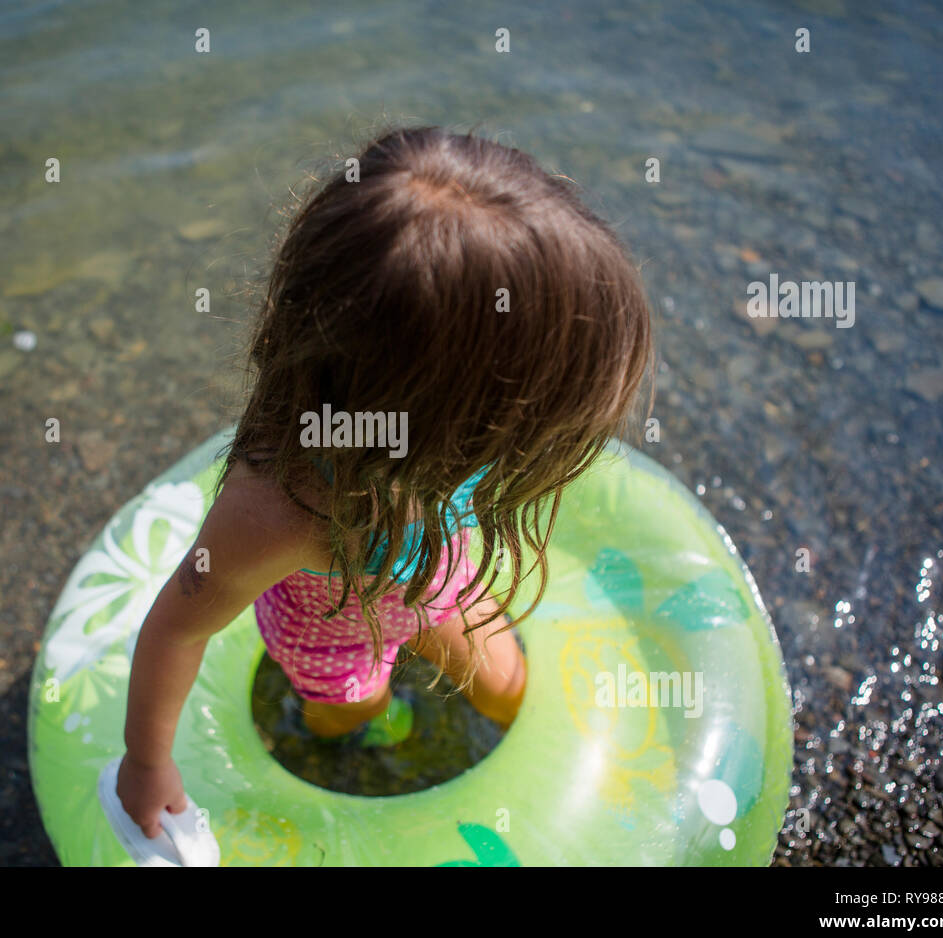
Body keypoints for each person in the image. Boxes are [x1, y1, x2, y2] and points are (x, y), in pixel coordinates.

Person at [117, 125, 653, 839]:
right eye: (538, 412)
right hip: (330, 628)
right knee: (356, 717)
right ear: (460, 407)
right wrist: (146, 760)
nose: (545, 436)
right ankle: (360, 742)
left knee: (509, 692)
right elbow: (178, 627)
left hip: (433, 573)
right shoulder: (280, 509)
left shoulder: (451, 439)